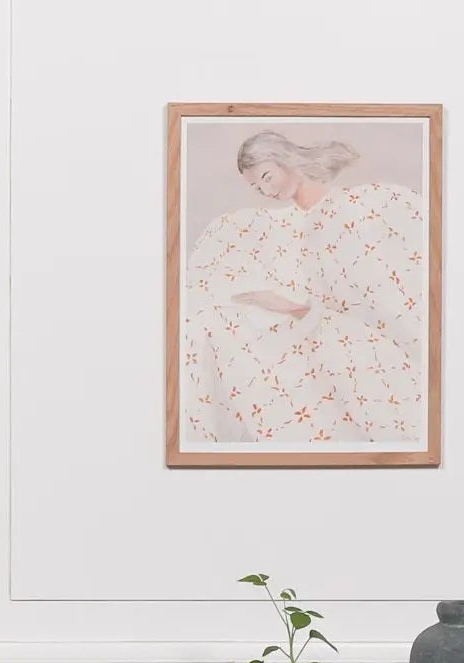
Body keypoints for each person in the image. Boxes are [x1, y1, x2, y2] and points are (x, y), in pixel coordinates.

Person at [177, 128, 426, 451]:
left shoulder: (350, 209)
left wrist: (286, 307)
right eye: (255, 186)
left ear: (286, 161)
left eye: (267, 177)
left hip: (359, 342)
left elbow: (365, 302)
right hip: (321, 330)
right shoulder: (295, 225)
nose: (265, 190)